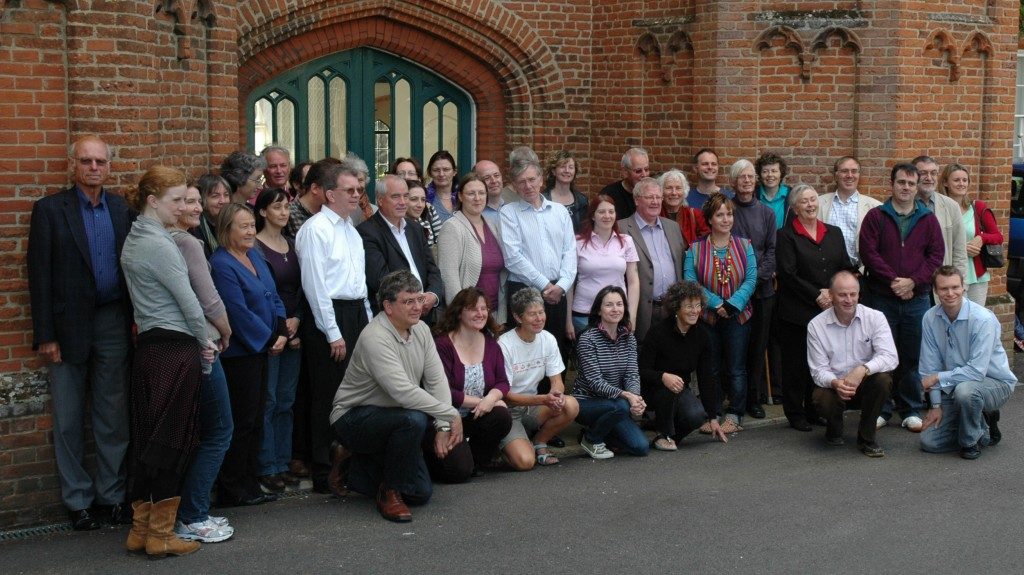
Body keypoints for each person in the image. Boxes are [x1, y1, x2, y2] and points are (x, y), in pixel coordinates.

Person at [28, 136, 133, 530]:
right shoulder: (51, 210)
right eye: (86, 161)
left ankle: (112, 496)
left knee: (112, 414)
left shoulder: (121, 209)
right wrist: (46, 335)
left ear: (109, 167)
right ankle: (78, 502)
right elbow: (38, 276)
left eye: (100, 162)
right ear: (73, 164)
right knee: (69, 417)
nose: (93, 168)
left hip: (112, 321)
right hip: (66, 326)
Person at [120, 165, 214, 557]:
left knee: (150, 440)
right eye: (176, 200)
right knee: (174, 442)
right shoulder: (159, 244)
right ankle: (160, 536)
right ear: (152, 201)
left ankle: (142, 531)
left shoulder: (134, 239)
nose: (183, 206)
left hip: (151, 349)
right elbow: (190, 302)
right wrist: (205, 342)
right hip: (174, 349)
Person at [329, 271, 463, 522]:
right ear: (388, 306)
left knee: (421, 493)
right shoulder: (375, 337)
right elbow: (402, 392)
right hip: (353, 417)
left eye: (419, 299)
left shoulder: (421, 330)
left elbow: (436, 380)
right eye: (408, 301)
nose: (417, 307)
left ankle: (352, 464)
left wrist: (444, 424)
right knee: (413, 420)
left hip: (393, 417)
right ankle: (389, 492)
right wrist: (450, 413)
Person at [294, 162, 372, 494]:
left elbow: (360, 285)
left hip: (354, 313)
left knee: (353, 392)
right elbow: (315, 286)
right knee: (327, 394)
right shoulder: (316, 230)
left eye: (359, 190)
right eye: (349, 190)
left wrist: (367, 325)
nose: (356, 196)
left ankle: (347, 463)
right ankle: (324, 470)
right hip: (329, 317)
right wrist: (333, 331)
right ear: (329, 194)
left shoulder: (351, 230)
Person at [209, 203, 289, 507]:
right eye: (242, 226)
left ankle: (250, 480)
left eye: (252, 225)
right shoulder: (221, 264)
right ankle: (232, 486)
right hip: (242, 354)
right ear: (226, 230)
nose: (250, 231)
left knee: (257, 418)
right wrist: (270, 338)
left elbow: (273, 294)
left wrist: (282, 327)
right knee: (241, 421)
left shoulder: (255, 254)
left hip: (265, 347)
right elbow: (236, 312)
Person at [168, 184, 235, 544]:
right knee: (219, 430)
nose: (195, 207)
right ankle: (192, 515)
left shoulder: (167, 240)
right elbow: (208, 300)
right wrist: (226, 331)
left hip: (181, 344)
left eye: (196, 201)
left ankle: (192, 510)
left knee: (201, 430)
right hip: (202, 343)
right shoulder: (188, 243)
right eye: (186, 201)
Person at [859, 163, 944, 432]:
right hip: (882, 297)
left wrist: (913, 282)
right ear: (892, 184)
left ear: (917, 186)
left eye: (910, 183)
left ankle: (910, 409)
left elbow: (935, 256)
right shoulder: (876, 216)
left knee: (911, 356)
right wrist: (894, 280)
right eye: (901, 182)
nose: (905, 187)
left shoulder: (928, 219)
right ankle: (881, 410)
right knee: (882, 354)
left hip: (916, 300)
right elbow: (868, 252)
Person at [776, 185, 854, 431]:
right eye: (803, 202)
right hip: (797, 312)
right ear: (795, 208)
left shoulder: (834, 232)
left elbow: (844, 265)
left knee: (819, 364)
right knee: (796, 365)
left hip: (828, 310)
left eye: (812, 200)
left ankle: (813, 410)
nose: (810, 205)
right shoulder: (785, 235)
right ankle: (795, 413)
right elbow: (788, 274)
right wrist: (816, 295)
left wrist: (831, 293)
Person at [919, 266, 1017, 459]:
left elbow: (976, 372)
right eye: (944, 288)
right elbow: (929, 366)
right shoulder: (930, 318)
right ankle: (982, 421)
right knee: (929, 443)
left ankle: (970, 441)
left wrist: (939, 377)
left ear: (963, 287)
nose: (950, 293)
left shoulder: (982, 319)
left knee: (966, 391)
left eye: (955, 287)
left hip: (994, 384)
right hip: (954, 386)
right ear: (935, 291)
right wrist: (936, 405)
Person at [684, 193, 757, 434]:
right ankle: (712, 413)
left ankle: (735, 414)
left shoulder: (745, 245)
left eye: (729, 214)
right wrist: (716, 304)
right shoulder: (695, 249)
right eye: (720, 215)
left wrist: (733, 304)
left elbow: (751, 278)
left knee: (736, 367)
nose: (726, 219)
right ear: (710, 219)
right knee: (710, 367)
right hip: (707, 317)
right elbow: (691, 281)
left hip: (738, 316)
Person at [807, 271, 898, 457]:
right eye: (842, 295)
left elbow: (890, 357)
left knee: (883, 380)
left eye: (853, 294)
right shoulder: (816, 325)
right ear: (831, 295)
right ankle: (834, 427)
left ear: (859, 294)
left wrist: (863, 369)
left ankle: (867, 439)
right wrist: (835, 383)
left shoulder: (875, 317)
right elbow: (818, 370)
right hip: (834, 386)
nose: (848, 300)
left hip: (864, 382)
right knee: (822, 397)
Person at [427, 287, 513, 480]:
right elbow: (444, 392)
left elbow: (502, 382)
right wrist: (481, 403)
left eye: (484, 309)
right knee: (457, 473)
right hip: (445, 417)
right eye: (474, 309)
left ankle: (473, 459)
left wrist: (491, 398)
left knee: (501, 416)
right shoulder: (442, 345)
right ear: (459, 312)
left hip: (474, 416)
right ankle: (449, 461)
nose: (481, 314)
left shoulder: (490, 343)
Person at [500, 159, 576, 364]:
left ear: (542, 180)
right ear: (514, 186)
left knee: (555, 350)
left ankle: (553, 394)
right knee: (527, 352)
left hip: (558, 292)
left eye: (532, 179)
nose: (528, 186)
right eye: (521, 181)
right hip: (524, 290)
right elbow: (513, 257)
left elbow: (570, 252)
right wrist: (545, 285)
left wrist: (561, 286)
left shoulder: (560, 211)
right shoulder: (509, 213)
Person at [253, 188, 304, 493]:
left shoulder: (294, 245)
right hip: (270, 333)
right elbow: (261, 293)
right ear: (262, 212)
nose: (284, 212)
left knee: (286, 401)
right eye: (276, 207)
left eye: (286, 206)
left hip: (294, 328)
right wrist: (281, 330)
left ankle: (284, 463)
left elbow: (303, 287)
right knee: (268, 401)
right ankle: (267, 465)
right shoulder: (255, 248)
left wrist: (297, 320)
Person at [498, 288, 580, 470]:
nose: (539, 318)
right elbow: (505, 396)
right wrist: (543, 399)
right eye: (532, 314)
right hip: (510, 412)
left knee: (571, 404)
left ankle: (539, 442)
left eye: (541, 312)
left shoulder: (548, 339)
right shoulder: (504, 344)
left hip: (534, 407)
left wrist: (556, 393)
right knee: (525, 463)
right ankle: (507, 444)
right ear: (518, 317)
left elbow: (556, 380)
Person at [639, 281, 728, 449]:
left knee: (696, 416)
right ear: (676, 307)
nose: (695, 311)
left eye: (698, 305)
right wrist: (663, 376)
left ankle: (668, 437)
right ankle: (662, 431)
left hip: (680, 389)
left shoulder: (702, 335)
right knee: (668, 390)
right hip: (654, 388)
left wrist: (713, 417)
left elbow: (706, 377)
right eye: (688, 306)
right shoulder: (657, 332)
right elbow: (641, 371)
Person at [572, 286, 649, 459]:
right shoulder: (587, 339)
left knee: (641, 447)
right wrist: (626, 396)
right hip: (587, 403)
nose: (615, 309)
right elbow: (594, 382)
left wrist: (635, 398)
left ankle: (603, 433)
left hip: (616, 403)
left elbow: (632, 374)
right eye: (609, 305)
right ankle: (590, 438)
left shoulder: (629, 337)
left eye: (619, 304)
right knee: (621, 405)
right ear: (599, 310)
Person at [730, 159, 777, 420]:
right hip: (733, 291)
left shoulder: (767, 214)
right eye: (741, 177)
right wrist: (741, 283)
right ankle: (735, 397)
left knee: (758, 346)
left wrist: (755, 279)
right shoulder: (727, 209)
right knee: (737, 346)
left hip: (762, 291)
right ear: (733, 182)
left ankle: (754, 397)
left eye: (750, 177)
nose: (746, 181)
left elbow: (771, 251)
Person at [358, 175, 443, 316]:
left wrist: (433, 294)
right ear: (380, 200)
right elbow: (382, 280)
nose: (403, 202)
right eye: (396, 197)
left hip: (425, 314)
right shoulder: (367, 232)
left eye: (406, 196)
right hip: (393, 316)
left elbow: (432, 269)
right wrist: (415, 300)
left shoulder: (415, 228)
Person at [619, 178, 686, 342]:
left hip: (671, 309)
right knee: (642, 360)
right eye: (650, 197)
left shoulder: (673, 227)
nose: (655, 202)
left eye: (658, 197)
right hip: (642, 310)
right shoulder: (621, 228)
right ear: (636, 200)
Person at [437, 173, 507, 324]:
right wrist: (461, 315)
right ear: (461, 197)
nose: (477, 198)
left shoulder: (492, 225)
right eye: (471, 193)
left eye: (481, 193)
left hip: (495, 314)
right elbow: (449, 278)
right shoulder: (452, 227)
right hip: (468, 316)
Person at [567, 194, 640, 338]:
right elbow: (569, 283)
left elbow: (633, 281)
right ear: (593, 216)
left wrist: (631, 316)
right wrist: (567, 320)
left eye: (611, 212)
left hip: (617, 315)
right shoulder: (577, 242)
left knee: (614, 360)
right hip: (583, 315)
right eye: (601, 212)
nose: (607, 216)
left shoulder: (626, 241)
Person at [938, 163, 1003, 305]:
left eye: (965, 180)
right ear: (945, 183)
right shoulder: (938, 209)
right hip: (947, 275)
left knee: (974, 320)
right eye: (956, 180)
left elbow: (998, 236)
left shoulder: (977, 207)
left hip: (976, 276)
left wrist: (981, 238)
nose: (961, 183)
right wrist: (960, 248)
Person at [817, 156, 881, 269]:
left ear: (859, 175)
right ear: (836, 176)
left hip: (860, 272)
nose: (850, 175)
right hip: (826, 270)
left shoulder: (875, 207)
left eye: (854, 171)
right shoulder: (819, 203)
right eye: (844, 171)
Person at [913, 155, 968, 275]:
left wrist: (960, 284)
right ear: (913, 175)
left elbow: (960, 252)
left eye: (933, 173)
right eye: (923, 173)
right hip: (912, 280)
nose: (929, 178)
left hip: (941, 280)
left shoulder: (951, 206)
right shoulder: (904, 205)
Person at [285, 157, 339, 238]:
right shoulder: (288, 214)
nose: (337, 193)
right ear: (315, 188)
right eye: (332, 188)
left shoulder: (334, 212)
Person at [542, 150, 589, 232]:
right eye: (562, 166)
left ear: (575, 172)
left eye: (571, 167)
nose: (567, 170)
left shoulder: (582, 201)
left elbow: (585, 230)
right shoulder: (543, 199)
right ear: (553, 171)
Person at [658, 169, 708, 244]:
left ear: (685, 191)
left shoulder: (695, 215)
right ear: (661, 191)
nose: (674, 193)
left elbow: (706, 241)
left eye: (678, 188)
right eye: (669, 188)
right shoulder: (655, 215)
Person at [599, 147, 649, 218]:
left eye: (646, 169)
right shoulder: (609, 195)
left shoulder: (652, 193)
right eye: (638, 171)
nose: (644, 175)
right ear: (625, 172)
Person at [192, 173, 231, 256]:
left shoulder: (232, 223)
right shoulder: (195, 229)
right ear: (202, 199)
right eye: (215, 196)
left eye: (226, 195)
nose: (223, 201)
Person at [755, 152, 791, 229]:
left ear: (781, 174)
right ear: (760, 175)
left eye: (774, 171)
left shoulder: (791, 195)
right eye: (765, 171)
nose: (770, 175)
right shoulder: (753, 195)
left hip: (784, 240)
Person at [405, 179, 443, 249]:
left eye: (423, 200)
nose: (420, 205)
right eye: (414, 199)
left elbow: (442, 240)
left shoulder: (428, 213)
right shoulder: (397, 227)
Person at [425, 150, 459, 223]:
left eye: (446, 169)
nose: (441, 174)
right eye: (436, 170)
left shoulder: (463, 196)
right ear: (430, 172)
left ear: (454, 171)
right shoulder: (423, 198)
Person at [473, 159, 506, 226]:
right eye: (487, 178)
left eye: (496, 175)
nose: (493, 181)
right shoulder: (472, 213)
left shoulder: (512, 209)